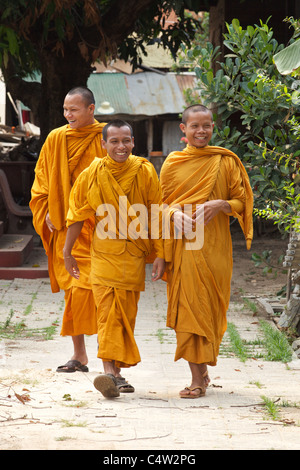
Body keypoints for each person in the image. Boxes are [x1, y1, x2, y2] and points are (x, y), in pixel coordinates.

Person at [63, 119, 165, 397]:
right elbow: (77, 214)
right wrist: (67, 252)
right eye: (115, 141)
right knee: (108, 314)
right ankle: (110, 372)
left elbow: (156, 213)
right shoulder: (91, 173)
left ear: (134, 142)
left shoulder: (144, 171)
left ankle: (116, 372)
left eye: (126, 141)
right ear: (103, 143)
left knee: (125, 317)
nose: (121, 147)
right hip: (103, 255)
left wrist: (161, 253)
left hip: (132, 256)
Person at [159, 104, 253, 398]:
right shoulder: (172, 164)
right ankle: (197, 379)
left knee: (209, 311)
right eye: (195, 126)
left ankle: (202, 370)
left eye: (207, 126)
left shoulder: (225, 162)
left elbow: (242, 202)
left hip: (215, 250)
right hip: (184, 249)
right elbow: (157, 205)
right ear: (183, 130)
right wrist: (173, 214)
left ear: (213, 127)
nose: (201, 131)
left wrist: (222, 205)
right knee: (189, 310)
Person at [30, 87, 107, 373]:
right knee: (74, 290)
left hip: (99, 228)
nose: (68, 115)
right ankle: (79, 354)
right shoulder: (56, 138)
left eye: (74, 109)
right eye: (65, 109)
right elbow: (42, 178)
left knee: (99, 291)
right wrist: (47, 207)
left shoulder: (105, 137)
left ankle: (109, 355)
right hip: (66, 227)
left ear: (91, 109)